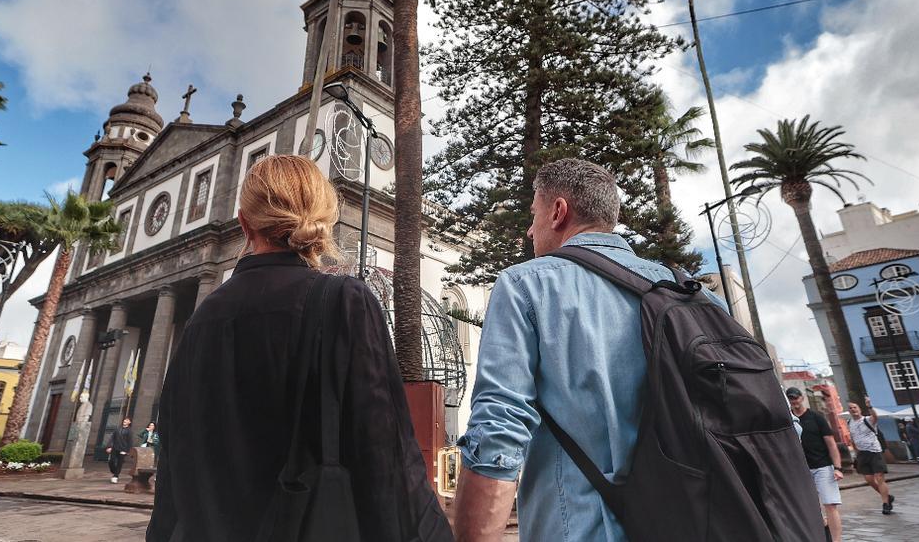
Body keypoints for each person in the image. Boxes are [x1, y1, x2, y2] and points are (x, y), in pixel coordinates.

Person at [146, 155, 450, 541]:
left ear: (244, 223)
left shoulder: (201, 320)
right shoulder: (344, 303)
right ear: (326, 220)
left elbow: (172, 465)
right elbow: (388, 462)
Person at [452, 158, 727, 541]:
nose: (530, 230)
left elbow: (499, 429)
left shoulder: (526, 286)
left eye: (534, 215)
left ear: (558, 212)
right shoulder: (698, 298)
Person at [786, 388, 844, 542]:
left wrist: (837, 468)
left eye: (796, 398)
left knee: (830, 505)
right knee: (809, 506)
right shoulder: (788, 420)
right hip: (802, 469)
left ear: (802, 397)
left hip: (822, 466)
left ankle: (836, 540)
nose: (794, 401)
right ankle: (821, 532)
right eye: (791, 398)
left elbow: (831, 444)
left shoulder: (816, 418)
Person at [845, 398, 894, 514]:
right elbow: (853, 438)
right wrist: (856, 454)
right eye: (850, 408)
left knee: (879, 477)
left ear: (860, 409)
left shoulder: (867, 420)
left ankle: (885, 503)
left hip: (875, 452)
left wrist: (870, 406)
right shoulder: (849, 423)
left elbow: (875, 417)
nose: (853, 410)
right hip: (862, 453)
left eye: (855, 407)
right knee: (869, 479)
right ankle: (887, 496)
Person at [106, 417, 133, 484]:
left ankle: (115, 476)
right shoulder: (117, 429)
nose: (125, 421)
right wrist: (109, 446)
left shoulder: (129, 431)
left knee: (119, 463)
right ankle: (115, 471)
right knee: (111, 461)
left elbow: (130, 441)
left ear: (129, 422)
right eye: (125, 420)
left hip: (123, 449)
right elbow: (112, 438)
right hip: (115, 448)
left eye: (127, 420)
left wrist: (127, 450)